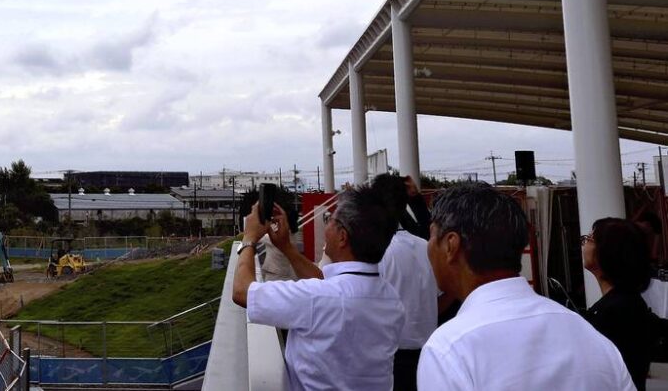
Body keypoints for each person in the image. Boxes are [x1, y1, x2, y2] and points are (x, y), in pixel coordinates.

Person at [418, 183, 635, 391]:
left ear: (451, 244)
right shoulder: (589, 335)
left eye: (431, 235)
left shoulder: (449, 349)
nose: (427, 247)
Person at [232, 186, 405, 391]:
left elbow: (242, 291)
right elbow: (326, 284)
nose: (326, 225)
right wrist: (286, 247)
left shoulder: (318, 297)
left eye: (330, 219)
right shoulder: (392, 300)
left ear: (342, 237)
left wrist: (249, 239)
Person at [370, 173, 441, 391]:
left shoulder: (378, 253)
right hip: (429, 351)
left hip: (391, 354)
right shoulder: (426, 246)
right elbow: (444, 294)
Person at [583, 217, 659, 391]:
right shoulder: (625, 302)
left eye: (589, 239)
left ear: (608, 252)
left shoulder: (617, 310)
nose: (584, 244)